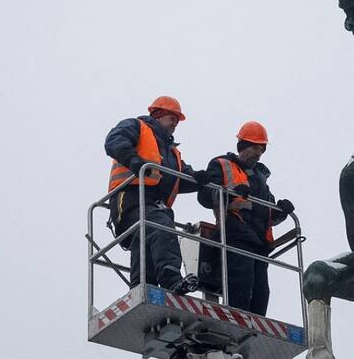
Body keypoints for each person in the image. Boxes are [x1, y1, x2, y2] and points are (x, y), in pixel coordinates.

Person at [105, 95, 210, 294]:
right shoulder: (136, 127)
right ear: (159, 115)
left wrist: (198, 178)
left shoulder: (171, 152)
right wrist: (135, 162)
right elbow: (113, 140)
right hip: (129, 200)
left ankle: (142, 288)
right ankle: (171, 279)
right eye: (173, 118)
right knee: (160, 226)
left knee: (145, 239)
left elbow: (181, 175)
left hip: (155, 204)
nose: (176, 123)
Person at [197, 121, 294, 315]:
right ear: (242, 146)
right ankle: (236, 320)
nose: (258, 153)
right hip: (236, 234)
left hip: (260, 243)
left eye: (261, 149)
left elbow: (269, 215)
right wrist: (230, 193)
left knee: (260, 292)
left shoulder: (261, 180)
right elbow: (206, 196)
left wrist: (281, 211)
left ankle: (255, 326)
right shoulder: (221, 165)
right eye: (254, 147)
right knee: (242, 280)